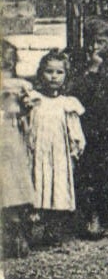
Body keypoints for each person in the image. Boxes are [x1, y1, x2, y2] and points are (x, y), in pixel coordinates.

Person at [27, 50, 84, 241]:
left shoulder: (67, 104)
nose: (54, 76)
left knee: (57, 185)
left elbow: (75, 132)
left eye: (59, 72)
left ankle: (53, 228)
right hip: (38, 152)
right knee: (37, 183)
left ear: (66, 75)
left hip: (58, 154)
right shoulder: (34, 100)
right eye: (49, 71)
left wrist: (75, 151)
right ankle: (33, 226)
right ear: (41, 73)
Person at [74, 36, 108, 238]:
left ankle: (105, 215)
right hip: (89, 128)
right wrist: (93, 70)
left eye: (100, 42)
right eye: (92, 41)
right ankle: (92, 217)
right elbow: (80, 93)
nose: (94, 47)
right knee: (90, 172)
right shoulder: (83, 66)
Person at [1, 42, 37, 257]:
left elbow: (26, 109)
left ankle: (18, 234)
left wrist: (26, 105)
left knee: (14, 184)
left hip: (12, 137)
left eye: (8, 64)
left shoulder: (19, 85)